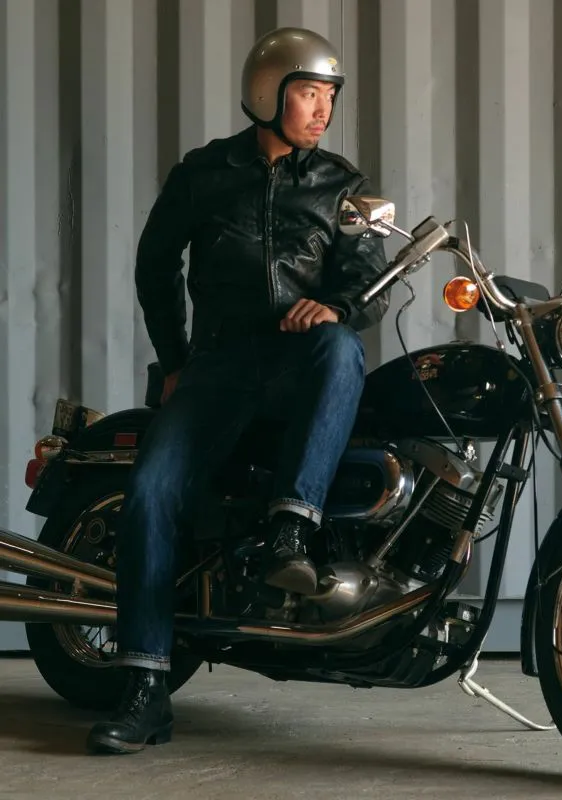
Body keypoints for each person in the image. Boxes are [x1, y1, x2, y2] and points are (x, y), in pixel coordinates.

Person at [86, 27, 390, 755]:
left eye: (329, 95)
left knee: (341, 346)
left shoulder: (343, 184)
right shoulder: (205, 173)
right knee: (151, 491)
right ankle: (145, 689)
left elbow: (368, 279)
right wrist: (175, 360)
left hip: (297, 367)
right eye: (308, 93)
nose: (323, 109)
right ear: (267, 93)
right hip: (218, 368)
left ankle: (292, 530)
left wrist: (337, 306)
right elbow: (154, 264)